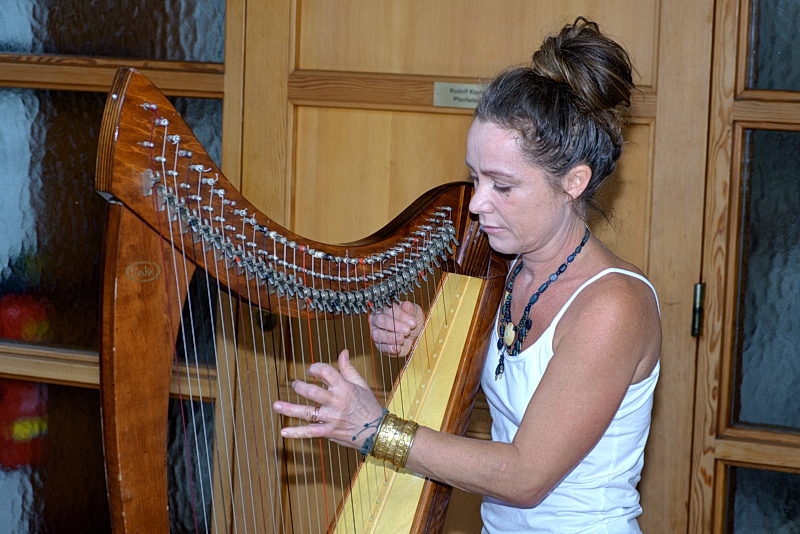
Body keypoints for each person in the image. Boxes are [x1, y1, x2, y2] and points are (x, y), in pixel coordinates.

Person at [273, 17, 661, 533]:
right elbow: (519, 387)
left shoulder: (613, 306)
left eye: (503, 185)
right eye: (475, 177)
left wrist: (372, 429)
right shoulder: (507, 269)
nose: (476, 203)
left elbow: (524, 475)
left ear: (573, 182)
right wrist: (424, 340)